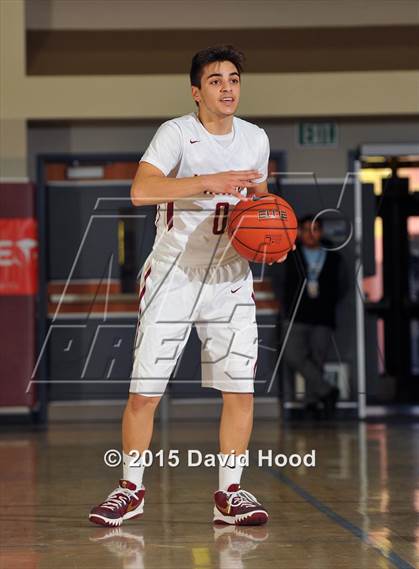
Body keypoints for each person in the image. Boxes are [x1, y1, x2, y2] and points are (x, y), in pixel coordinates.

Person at [89, 45, 292, 528]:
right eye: (217, 80)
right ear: (196, 91)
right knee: (145, 393)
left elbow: (257, 198)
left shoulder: (255, 139)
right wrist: (207, 180)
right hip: (173, 276)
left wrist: (274, 236)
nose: (228, 87)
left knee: (240, 391)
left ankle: (230, 495)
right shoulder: (176, 133)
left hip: (229, 280)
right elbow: (141, 191)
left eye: (235, 79)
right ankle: (131, 490)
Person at [270, 214, 348, 419]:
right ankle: (327, 391)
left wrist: (328, 303)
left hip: (323, 317)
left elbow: (342, 286)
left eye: (314, 229)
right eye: (305, 230)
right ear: (298, 233)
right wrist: (286, 305)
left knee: (317, 359)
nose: (310, 234)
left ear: (320, 232)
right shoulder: (290, 254)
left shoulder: (333, 257)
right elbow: (278, 283)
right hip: (295, 315)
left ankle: (313, 403)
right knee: (293, 356)